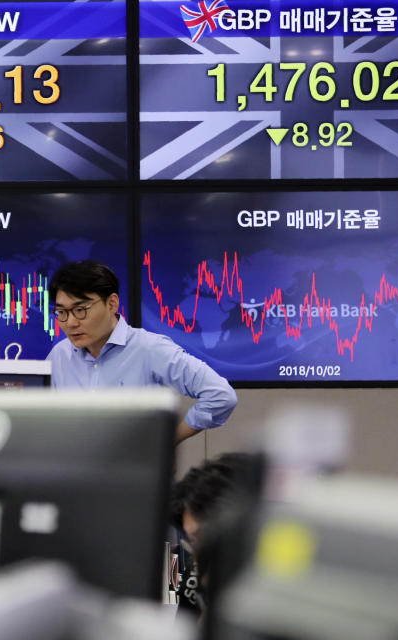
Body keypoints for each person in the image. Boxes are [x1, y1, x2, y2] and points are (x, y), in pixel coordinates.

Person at [46, 260, 237, 443]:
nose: (70, 323)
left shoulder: (150, 349)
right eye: (62, 312)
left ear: (112, 304)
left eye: (80, 310)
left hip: (135, 473)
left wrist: (165, 443)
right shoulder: (59, 355)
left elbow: (220, 395)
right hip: (73, 472)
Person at [168, 452, 264, 619]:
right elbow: (170, 609)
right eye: (192, 540)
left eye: (203, 535)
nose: (196, 552)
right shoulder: (180, 556)